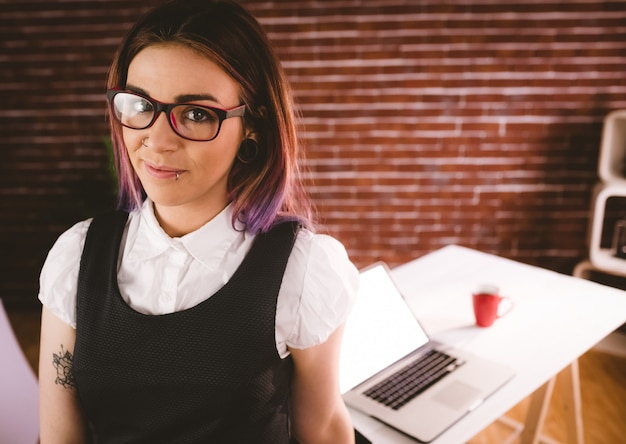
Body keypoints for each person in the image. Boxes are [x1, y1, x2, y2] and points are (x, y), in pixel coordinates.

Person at [37, 0, 359, 442]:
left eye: (196, 114)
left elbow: (321, 426)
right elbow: (60, 436)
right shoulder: (76, 257)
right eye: (139, 105)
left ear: (253, 125)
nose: (157, 140)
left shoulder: (303, 269)